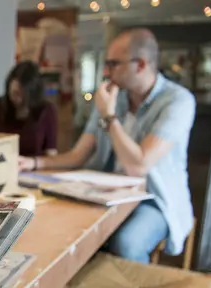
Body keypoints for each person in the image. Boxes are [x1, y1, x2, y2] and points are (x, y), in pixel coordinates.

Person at [29, 28, 196, 264]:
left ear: (140, 65)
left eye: (113, 64)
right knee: (62, 229)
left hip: (154, 198)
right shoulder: (114, 97)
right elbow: (78, 155)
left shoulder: (178, 101)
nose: (106, 72)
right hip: (107, 191)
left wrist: (108, 116)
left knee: (126, 244)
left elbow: (139, 166)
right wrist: (35, 162)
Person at [0, 61, 58, 161]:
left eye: (23, 95)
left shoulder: (46, 111)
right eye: (14, 93)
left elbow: (51, 154)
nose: (17, 99)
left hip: (33, 170)